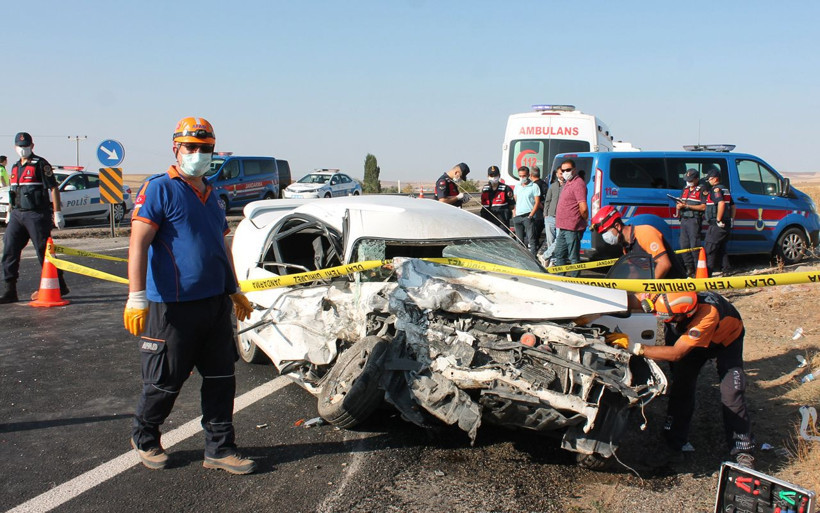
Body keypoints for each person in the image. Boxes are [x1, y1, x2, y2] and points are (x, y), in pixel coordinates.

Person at [124, 117, 256, 475]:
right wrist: (136, 296)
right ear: (176, 149)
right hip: (173, 308)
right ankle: (145, 436)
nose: (198, 154)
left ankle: (220, 449)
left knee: (221, 380)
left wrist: (234, 290)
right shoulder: (159, 189)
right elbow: (138, 244)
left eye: (205, 148)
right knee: (165, 382)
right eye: (191, 147)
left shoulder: (213, 195)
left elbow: (220, 246)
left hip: (214, 305)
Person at [635, 291, 755, 468]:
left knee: (732, 393)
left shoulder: (707, 315)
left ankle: (743, 451)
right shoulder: (660, 296)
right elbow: (632, 298)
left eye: (670, 319)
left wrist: (636, 348)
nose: (666, 321)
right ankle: (673, 444)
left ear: (687, 314)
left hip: (725, 342)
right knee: (681, 388)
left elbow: (676, 353)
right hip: (688, 340)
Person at [0, 133, 68, 304]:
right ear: (15, 147)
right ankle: (10, 290)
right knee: (9, 249)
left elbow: (53, 188)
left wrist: (57, 212)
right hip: (17, 214)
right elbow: (14, 192)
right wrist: (10, 210)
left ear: (32, 146)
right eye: (20, 146)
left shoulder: (40, 164)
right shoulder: (15, 167)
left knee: (43, 251)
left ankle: (59, 285)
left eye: (26, 146)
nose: (23, 149)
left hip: (36, 214)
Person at [590, 205, 687, 279]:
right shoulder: (626, 246)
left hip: (673, 286)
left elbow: (664, 264)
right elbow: (635, 273)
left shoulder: (645, 233)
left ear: (617, 226)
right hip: (655, 288)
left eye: (605, 232)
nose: (605, 236)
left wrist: (648, 290)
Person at [552, 159, 588, 276]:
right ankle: (560, 279)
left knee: (573, 257)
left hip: (573, 227)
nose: (565, 172)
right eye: (563, 170)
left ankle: (574, 281)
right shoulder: (568, 183)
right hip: (563, 227)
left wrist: (584, 220)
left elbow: (583, 207)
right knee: (559, 254)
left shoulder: (578, 184)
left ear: (574, 170)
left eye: (568, 170)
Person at [676, 168, 707, 277]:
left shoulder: (702, 189)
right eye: (687, 179)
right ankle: (689, 269)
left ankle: (697, 268)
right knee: (684, 245)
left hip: (694, 220)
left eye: (690, 180)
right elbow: (680, 201)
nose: (688, 182)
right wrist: (679, 205)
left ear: (697, 179)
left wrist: (688, 206)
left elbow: (704, 207)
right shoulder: (685, 189)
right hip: (684, 219)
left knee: (694, 245)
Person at [703, 168, 734, 276]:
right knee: (721, 248)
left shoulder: (715, 190)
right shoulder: (725, 189)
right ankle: (727, 270)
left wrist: (718, 219)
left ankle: (708, 273)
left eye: (710, 179)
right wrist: (731, 219)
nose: (708, 181)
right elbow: (733, 206)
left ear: (715, 179)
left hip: (717, 225)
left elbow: (721, 203)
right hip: (726, 224)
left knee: (710, 248)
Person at [511, 166, 542, 255]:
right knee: (519, 241)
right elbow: (515, 200)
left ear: (528, 175)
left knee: (531, 240)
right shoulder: (517, 186)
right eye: (520, 176)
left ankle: (533, 258)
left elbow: (537, 202)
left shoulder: (534, 186)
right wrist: (514, 213)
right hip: (517, 217)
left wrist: (531, 215)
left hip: (528, 216)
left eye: (524, 176)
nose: (522, 178)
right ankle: (521, 258)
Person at [538, 168, 564, 266]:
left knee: (559, 239)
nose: (562, 175)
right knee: (550, 241)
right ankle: (551, 261)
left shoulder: (568, 186)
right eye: (560, 173)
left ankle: (546, 256)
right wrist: (545, 213)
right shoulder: (553, 186)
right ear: (556, 174)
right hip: (550, 217)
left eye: (563, 173)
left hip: (561, 218)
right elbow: (547, 200)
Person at [479, 165, 514, 232]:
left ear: (499, 175)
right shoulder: (485, 189)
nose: (493, 177)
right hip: (488, 221)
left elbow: (511, 206)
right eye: (491, 175)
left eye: (495, 175)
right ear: (488, 176)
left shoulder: (506, 189)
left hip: (502, 222)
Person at [529, 166, 548, 252]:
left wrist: (542, 208)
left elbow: (537, 201)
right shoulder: (544, 184)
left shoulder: (534, 185)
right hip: (543, 214)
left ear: (531, 175)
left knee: (534, 237)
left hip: (537, 214)